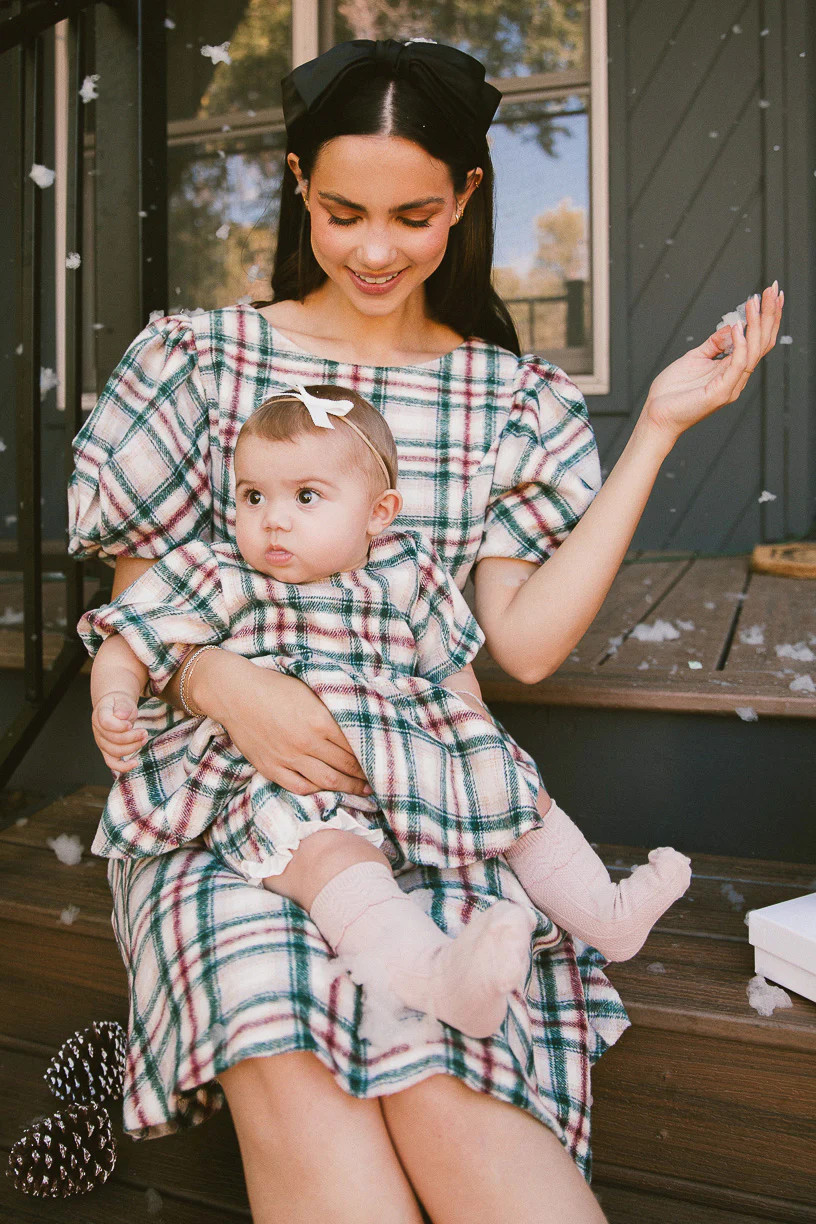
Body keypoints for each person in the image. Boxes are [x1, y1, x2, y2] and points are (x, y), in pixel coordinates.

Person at [67, 37, 782, 1224]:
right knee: (297, 1073)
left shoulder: (511, 398)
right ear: (299, 184)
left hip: (428, 794)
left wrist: (655, 428)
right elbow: (146, 617)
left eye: (414, 213)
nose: (377, 249)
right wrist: (220, 686)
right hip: (233, 814)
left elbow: (528, 646)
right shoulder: (198, 361)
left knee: (453, 1092)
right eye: (343, 211)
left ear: (466, 198)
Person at [81, 384, 691, 1041]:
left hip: (402, 753)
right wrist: (113, 697)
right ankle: (435, 976)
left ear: (379, 513)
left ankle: (606, 913)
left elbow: (450, 666)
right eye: (253, 496)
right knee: (327, 856)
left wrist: (467, 739)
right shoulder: (217, 572)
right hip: (285, 775)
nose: (273, 519)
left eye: (305, 496)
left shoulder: (407, 569)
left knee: (509, 784)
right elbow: (128, 641)